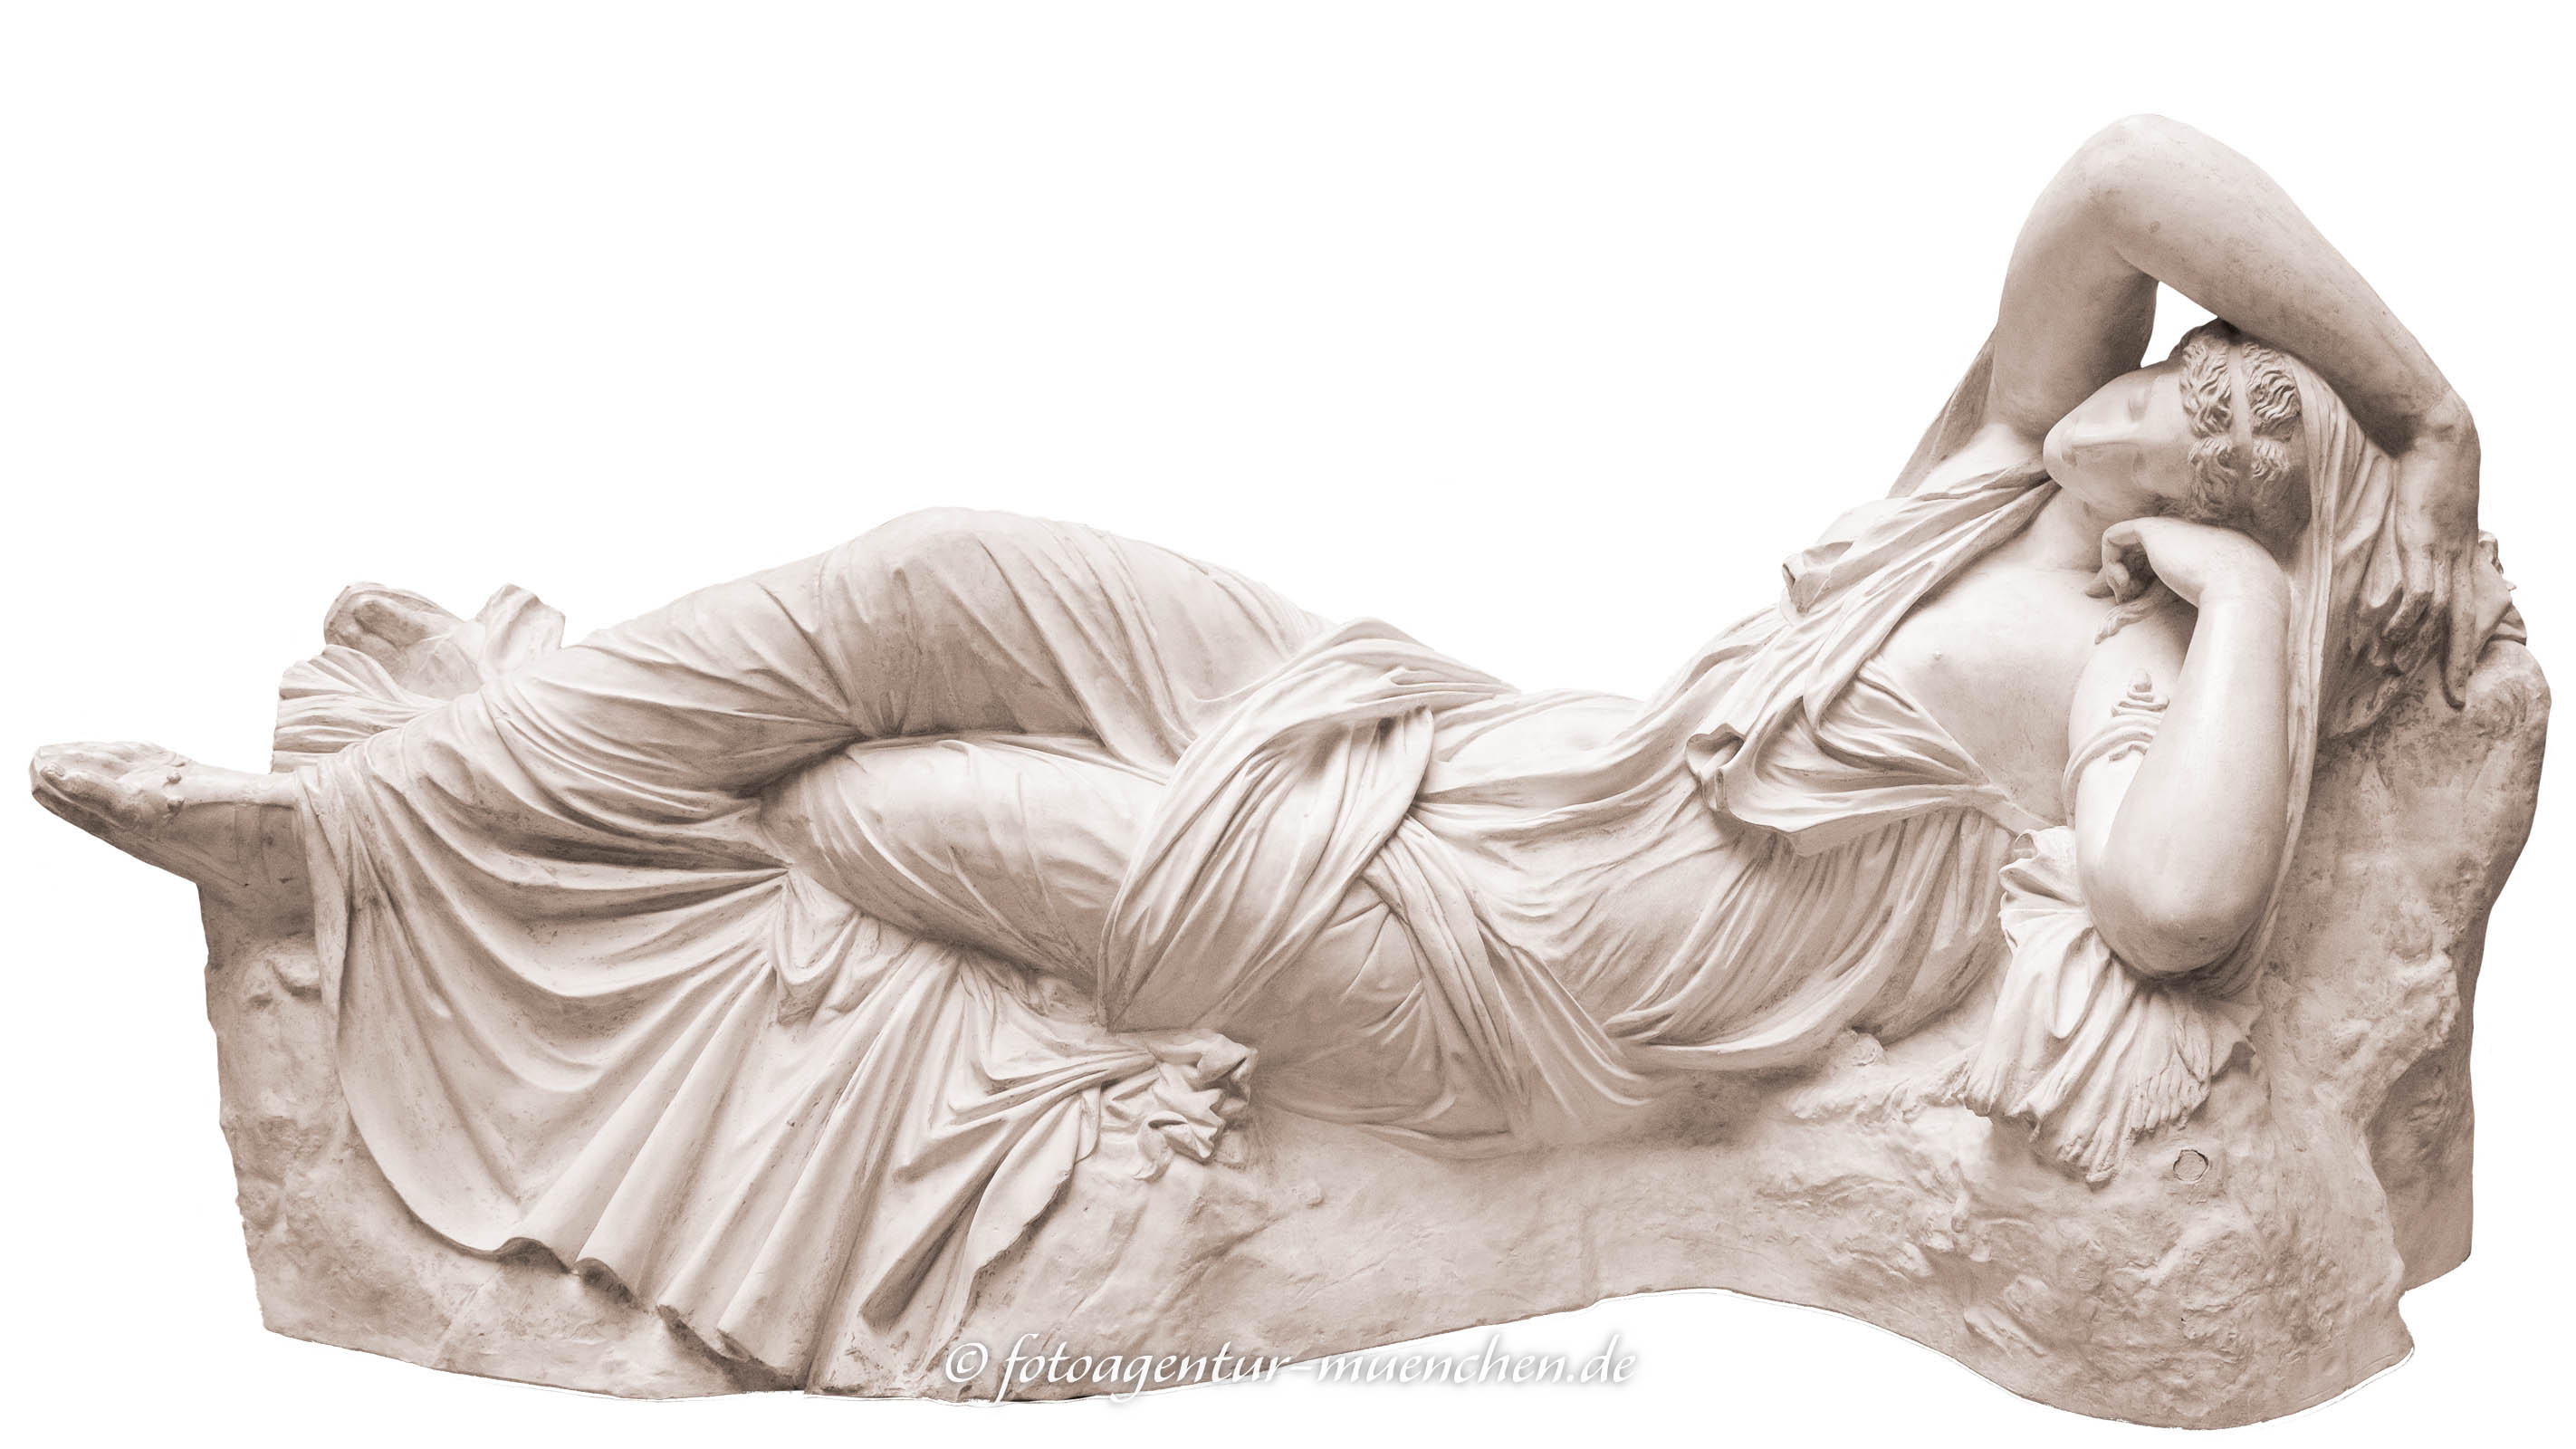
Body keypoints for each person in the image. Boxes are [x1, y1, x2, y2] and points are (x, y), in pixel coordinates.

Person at [29, 116, 2515, 1381]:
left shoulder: (2131, 683)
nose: (2198, 372)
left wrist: (2252, 606)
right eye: (2214, 354)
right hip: (1443, 739)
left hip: (1488, 967)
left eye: (2245, 418)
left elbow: (2187, 905)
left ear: (2250, 538)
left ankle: (427, 907)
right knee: (938, 561)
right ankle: (379, 825)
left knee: (865, 831)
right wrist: (2424, 408)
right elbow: (2126, 173)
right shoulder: (1984, 479)